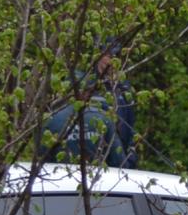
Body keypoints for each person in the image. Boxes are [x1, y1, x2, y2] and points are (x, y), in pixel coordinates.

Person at [45, 41, 139, 169]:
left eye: (116, 56)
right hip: (89, 166)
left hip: (113, 157)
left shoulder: (124, 88)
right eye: (109, 56)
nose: (112, 61)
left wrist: (130, 156)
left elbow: (131, 127)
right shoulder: (90, 81)